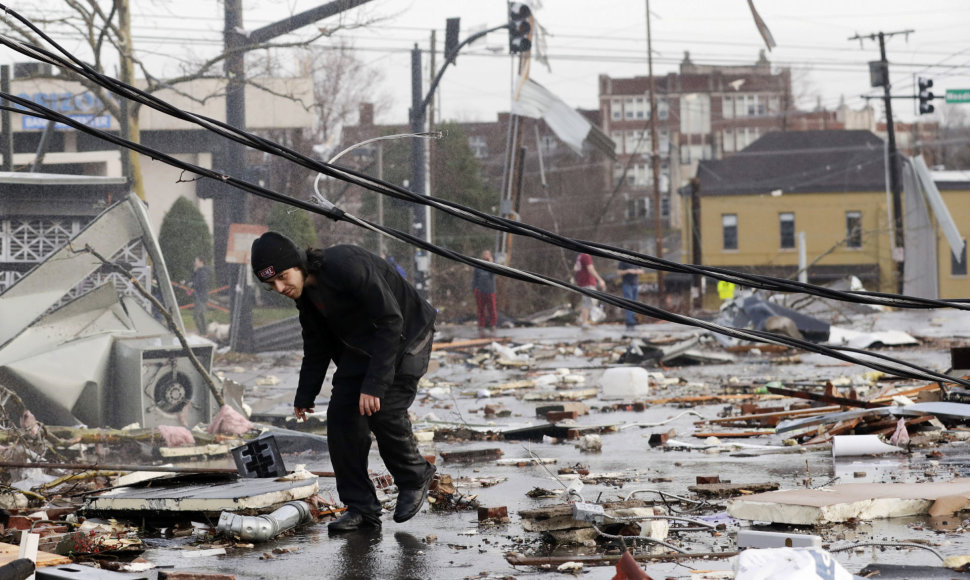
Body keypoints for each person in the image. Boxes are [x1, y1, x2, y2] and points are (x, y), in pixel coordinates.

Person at [250, 232, 437, 533]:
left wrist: (375, 384)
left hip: (407, 335)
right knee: (341, 420)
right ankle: (361, 508)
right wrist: (305, 394)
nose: (280, 288)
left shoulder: (346, 265)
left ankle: (415, 476)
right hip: (362, 348)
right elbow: (316, 346)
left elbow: (391, 321)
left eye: (283, 277)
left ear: (299, 263)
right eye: (272, 285)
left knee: (383, 409)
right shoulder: (306, 299)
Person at [574, 252, 606, 327]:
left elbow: (575, 268)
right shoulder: (586, 256)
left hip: (582, 283)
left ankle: (581, 319)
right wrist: (600, 279)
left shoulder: (580, 256)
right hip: (588, 283)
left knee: (587, 302)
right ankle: (584, 322)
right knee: (589, 303)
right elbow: (590, 269)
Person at [472, 250, 498, 335]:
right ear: (482, 255)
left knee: (492, 309)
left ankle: (493, 325)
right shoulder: (478, 265)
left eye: (487, 254)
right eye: (484, 254)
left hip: (490, 290)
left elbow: (494, 274)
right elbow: (475, 278)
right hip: (480, 291)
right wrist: (475, 289)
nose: (486, 256)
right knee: (481, 310)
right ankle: (481, 326)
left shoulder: (492, 265)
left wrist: (491, 263)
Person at [616, 259, 644, 330]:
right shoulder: (623, 261)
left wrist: (637, 271)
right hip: (627, 285)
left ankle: (633, 321)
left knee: (634, 304)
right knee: (629, 303)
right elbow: (619, 272)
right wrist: (628, 271)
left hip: (635, 284)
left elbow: (642, 271)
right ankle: (630, 322)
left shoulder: (636, 261)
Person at [190, 256, 211, 335]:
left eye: (196, 261)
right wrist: (194, 273)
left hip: (201, 297)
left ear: (201, 262)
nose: (195, 263)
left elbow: (203, 284)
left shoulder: (203, 272)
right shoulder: (198, 272)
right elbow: (193, 280)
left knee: (197, 315)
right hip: (198, 296)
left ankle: (203, 332)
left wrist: (194, 284)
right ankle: (203, 332)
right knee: (201, 315)